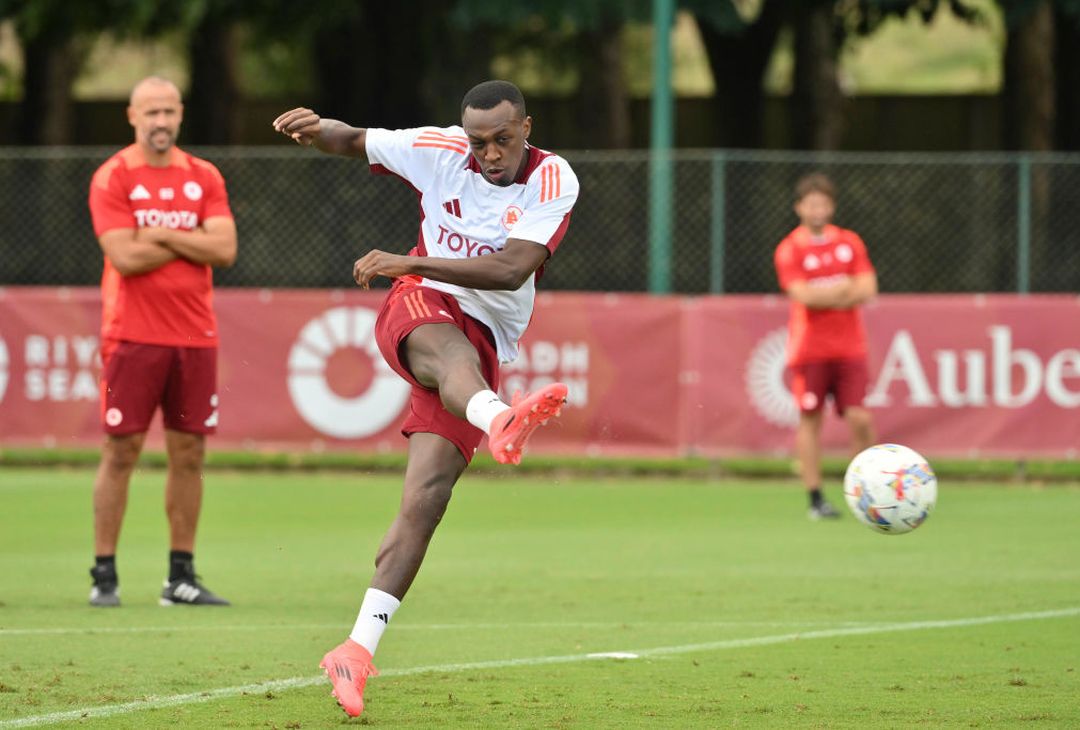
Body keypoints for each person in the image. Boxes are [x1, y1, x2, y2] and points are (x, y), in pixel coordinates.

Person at [272, 79, 577, 718]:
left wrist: (408, 259)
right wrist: (315, 129)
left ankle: (354, 649)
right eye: (478, 142)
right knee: (451, 355)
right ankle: (501, 418)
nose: (489, 153)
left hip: (486, 325)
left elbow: (509, 269)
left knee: (425, 502)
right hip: (421, 308)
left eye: (502, 139)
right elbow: (355, 140)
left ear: (527, 126)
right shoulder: (437, 150)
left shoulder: (553, 181)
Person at [86, 76, 237, 607]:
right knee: (121, 449)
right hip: (131, 335)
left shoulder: (204, 175)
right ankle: (104, 573)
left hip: (195, 336)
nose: (161, 122)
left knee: (189, 451)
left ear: (180, 114)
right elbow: (123, 257)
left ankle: (181, 577)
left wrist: (161, 235)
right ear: (132, 116)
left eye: (169, 111)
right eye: (151, 112)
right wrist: (190, 241)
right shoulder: (113, 177)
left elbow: (224, 249)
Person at [773, 173, 877, 520]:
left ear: (831, 206)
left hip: (850, 347)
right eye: (811, 203)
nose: (817, 209)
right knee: (810, 421)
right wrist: (842, 291)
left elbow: (867, 288)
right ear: (799, 208)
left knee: (860, 418)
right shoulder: (790, 248)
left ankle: (868, 490)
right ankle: (816, 499)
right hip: (810, 349)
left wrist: (829, 294)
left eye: (823, 203)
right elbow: (802, 296)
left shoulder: (850, 242)